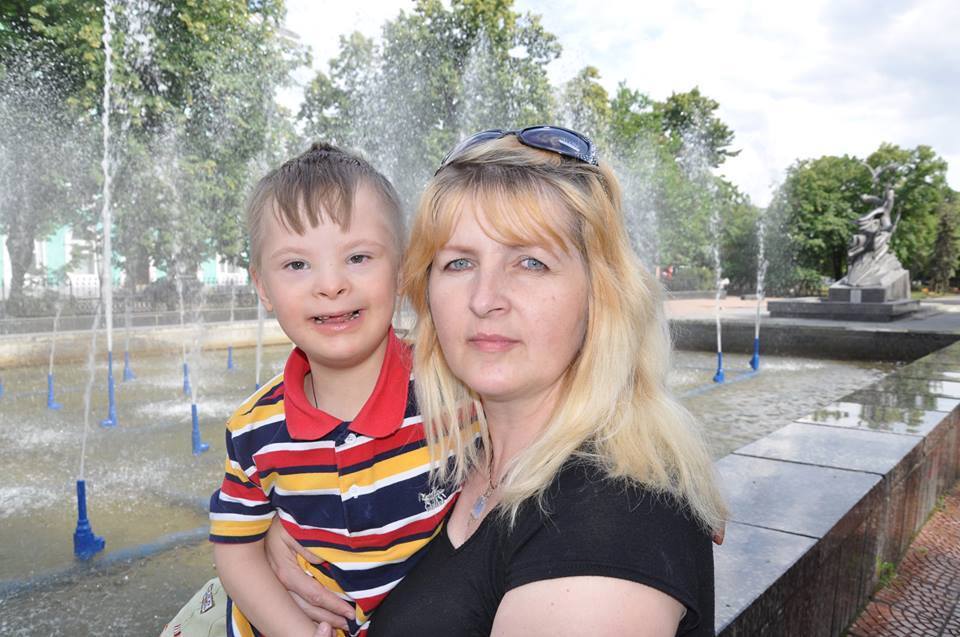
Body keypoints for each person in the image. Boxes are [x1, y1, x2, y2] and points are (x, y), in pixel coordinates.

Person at [269, 126, 726, 636]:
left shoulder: (613, 519)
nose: (485, 298)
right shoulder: (454, 452)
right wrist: (285, 524)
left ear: (601, 294)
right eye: (459, 263)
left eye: (531, 262)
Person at [204, 143, 459, 637]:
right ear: (262, 287)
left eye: (358, 257)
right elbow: (236, 550)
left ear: (401, 270)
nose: (331, 284)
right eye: (296, 265)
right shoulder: (255, 430)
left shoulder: (449, 390)